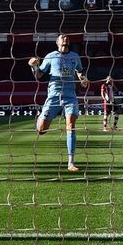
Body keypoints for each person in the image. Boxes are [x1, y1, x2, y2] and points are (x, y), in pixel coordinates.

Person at [28, 34, 89, 172]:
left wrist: (83, 79)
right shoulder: (50, 56)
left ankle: (71, 162)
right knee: (42, 130)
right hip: (54, 96)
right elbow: (39, 75)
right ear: (57, 42)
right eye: (62, 37)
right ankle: (40, 119)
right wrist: (34, 66)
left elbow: (80, 72)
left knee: (71, 126)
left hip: (70, 96)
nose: (65, 39)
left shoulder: (75, 56)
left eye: (67, 37)